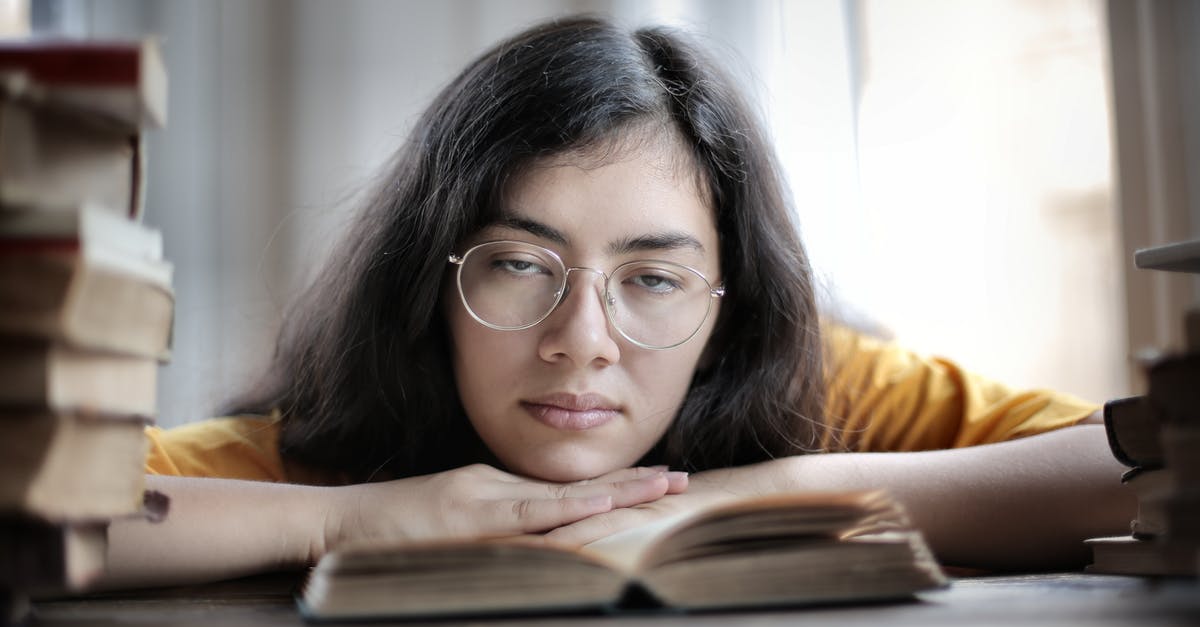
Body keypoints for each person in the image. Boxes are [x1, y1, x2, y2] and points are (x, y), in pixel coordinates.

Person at [107, 15, 1133, 588]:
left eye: (651, 279)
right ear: (431, 280)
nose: (581, 342)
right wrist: (355, 522)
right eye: (519, 264)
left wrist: (765, 497)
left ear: (727, 304)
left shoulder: (813, 379)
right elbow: (40, 512)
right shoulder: (326, 451)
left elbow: (1146, 461)